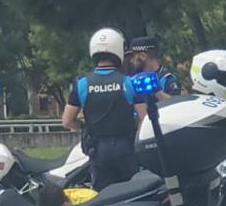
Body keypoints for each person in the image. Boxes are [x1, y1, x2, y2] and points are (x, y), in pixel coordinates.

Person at [61, 28, 146, 191]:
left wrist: (84, 126)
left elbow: (67, 121)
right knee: (131, 194)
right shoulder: (128, 82)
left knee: (103, 197)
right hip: (126, 147)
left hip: (99, 150)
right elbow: (144, 117)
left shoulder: (82, 84)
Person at [127, 36, 181, 100]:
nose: (131, 61)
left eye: (133, 56)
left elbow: (176, 104)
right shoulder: (134, 80)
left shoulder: (167, 79)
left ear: (143, 56)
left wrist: (157, 92)